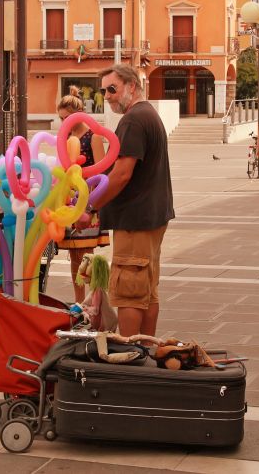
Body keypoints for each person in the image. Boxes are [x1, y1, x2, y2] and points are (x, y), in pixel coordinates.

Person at [92, 64, 173, 338]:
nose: (108, 96)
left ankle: (130, 351)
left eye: (112, 89)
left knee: (128, 291)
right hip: (152, 217)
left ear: (132, 87)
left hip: (135, 220)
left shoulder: (133, 120)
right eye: (104, 91)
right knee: (147, 290)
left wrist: (92, 206)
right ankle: (147, 349)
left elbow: (122, 174)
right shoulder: (148, 114)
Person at [56, 95, 110, 302]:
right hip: (70, 200)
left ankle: (94, 300)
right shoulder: (65, 137)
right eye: (61, 119)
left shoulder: (92, 136)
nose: (64, 123)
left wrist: (90, 203)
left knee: (88, 254)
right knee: (74, 255)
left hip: (88, 201)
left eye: (67, 118)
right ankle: (79, 301)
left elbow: (103, 170)